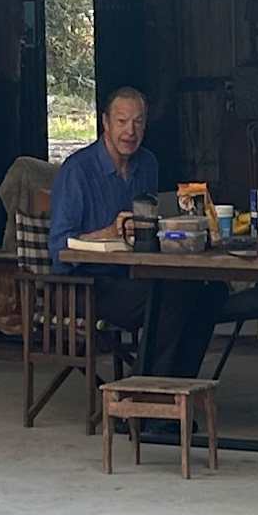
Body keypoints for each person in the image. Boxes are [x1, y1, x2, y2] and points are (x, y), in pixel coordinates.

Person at [45, 83, 217, 381]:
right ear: (105, 123)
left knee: (207, 293)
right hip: (86, 284)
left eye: (138, 122)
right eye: (122, 122)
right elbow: (58, 247)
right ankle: (142, 399)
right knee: (171, 298)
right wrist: (109, 233)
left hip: (135, 276)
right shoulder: (78, 170)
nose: (130, 131)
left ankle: (175, 392)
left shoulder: (147, 164)